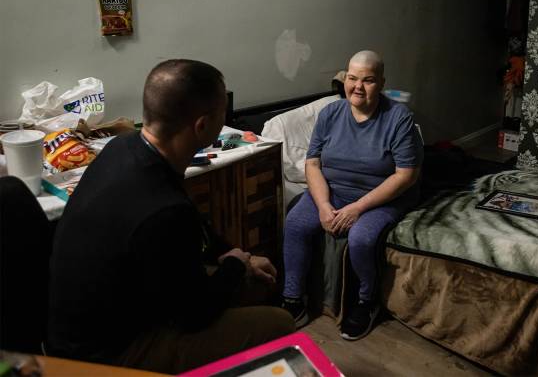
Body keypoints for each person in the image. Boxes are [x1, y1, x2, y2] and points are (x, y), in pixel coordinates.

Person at [47, 59, 294, 374]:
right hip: (104, 354)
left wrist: (234, 255)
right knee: (279, 324)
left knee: (255, 285)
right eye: (223, 113)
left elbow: (194, 227)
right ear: (202, 126)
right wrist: (235, 264)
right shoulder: (162, 211)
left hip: (88, 324)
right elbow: (194, 314)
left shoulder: (123, 148)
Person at [281, 50, 423, 341]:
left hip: (379, 196)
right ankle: (293, 299)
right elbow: (312, 163)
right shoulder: (330, 113)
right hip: (332, 190)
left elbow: (406, 175)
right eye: (352, 78)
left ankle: (367, 301)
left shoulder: (399, 118)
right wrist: (322, 205)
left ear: (381, 83)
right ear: (344, 79)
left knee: (361, 238)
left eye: (368, 80)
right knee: (296, 224)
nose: (358, 86)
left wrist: (357, 208)